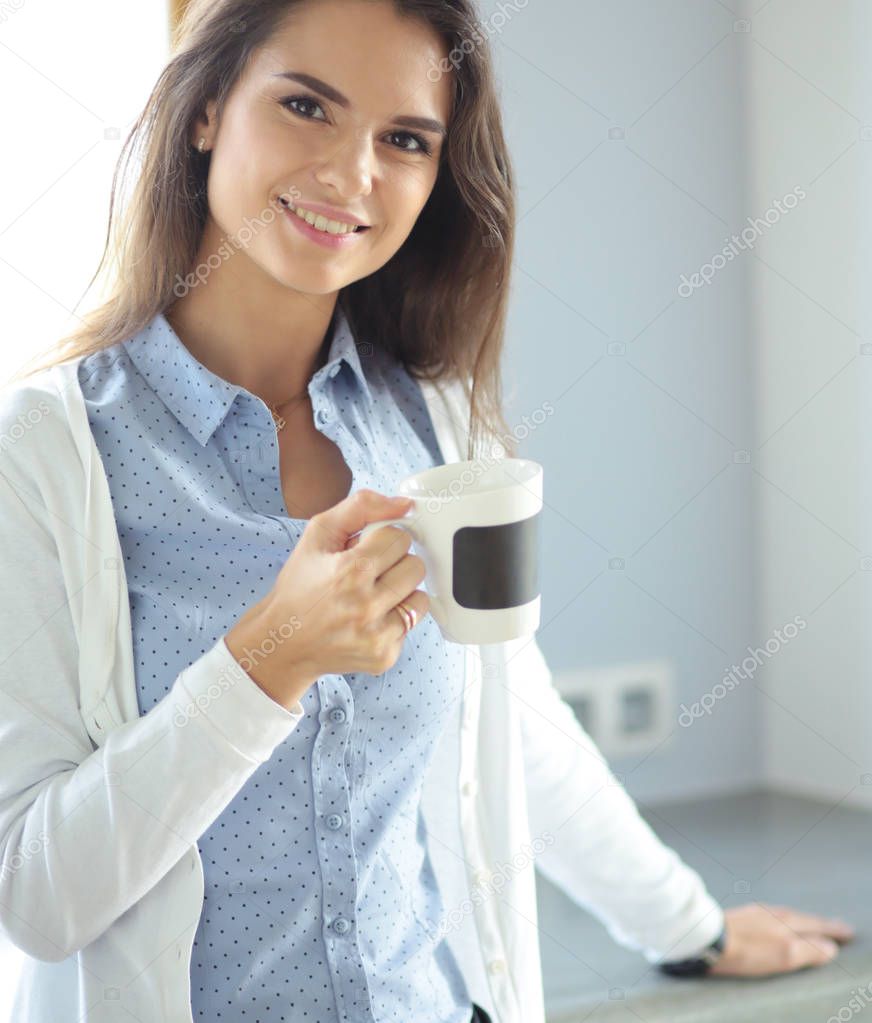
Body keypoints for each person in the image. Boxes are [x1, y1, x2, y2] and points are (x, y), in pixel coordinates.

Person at [0, 1, 853, 1021]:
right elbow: (38, 895)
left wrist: (691, 928)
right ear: (205, 110)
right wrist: (267, 659)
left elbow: (515, 722)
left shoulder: (441, 425)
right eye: (306, 105)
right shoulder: (46, 453)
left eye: (403, 139)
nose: (352, 173)